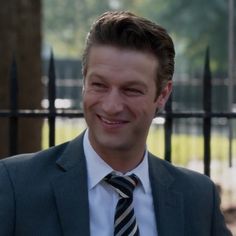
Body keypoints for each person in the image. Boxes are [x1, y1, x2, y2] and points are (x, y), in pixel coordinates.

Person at [0, 11, 232, 236]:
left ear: (163, 94)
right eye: (99, 85)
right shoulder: (15, 185)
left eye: (131, 90)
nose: (111, 106)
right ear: (84, 82)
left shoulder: (198, 198)